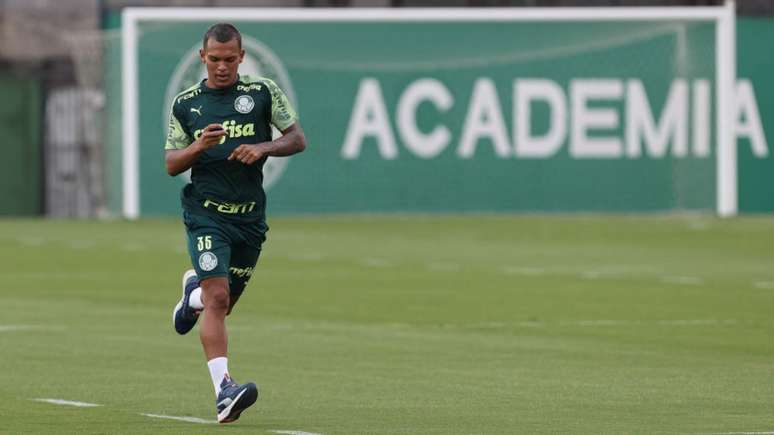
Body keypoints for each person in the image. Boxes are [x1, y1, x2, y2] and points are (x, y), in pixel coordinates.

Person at [164, 22, 306, 424]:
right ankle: (224, 391)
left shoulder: (262, 93)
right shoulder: (186, 104)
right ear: (202, 58)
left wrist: (263, 146)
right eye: (214, 60)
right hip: (206, 215)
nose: (222, 67)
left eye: (229, 60)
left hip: (249, 219)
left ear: (241, 58)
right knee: (220, 299)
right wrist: (199, 146)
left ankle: (192, 296)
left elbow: (297, 138)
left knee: (221, 303)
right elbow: (171, 164)